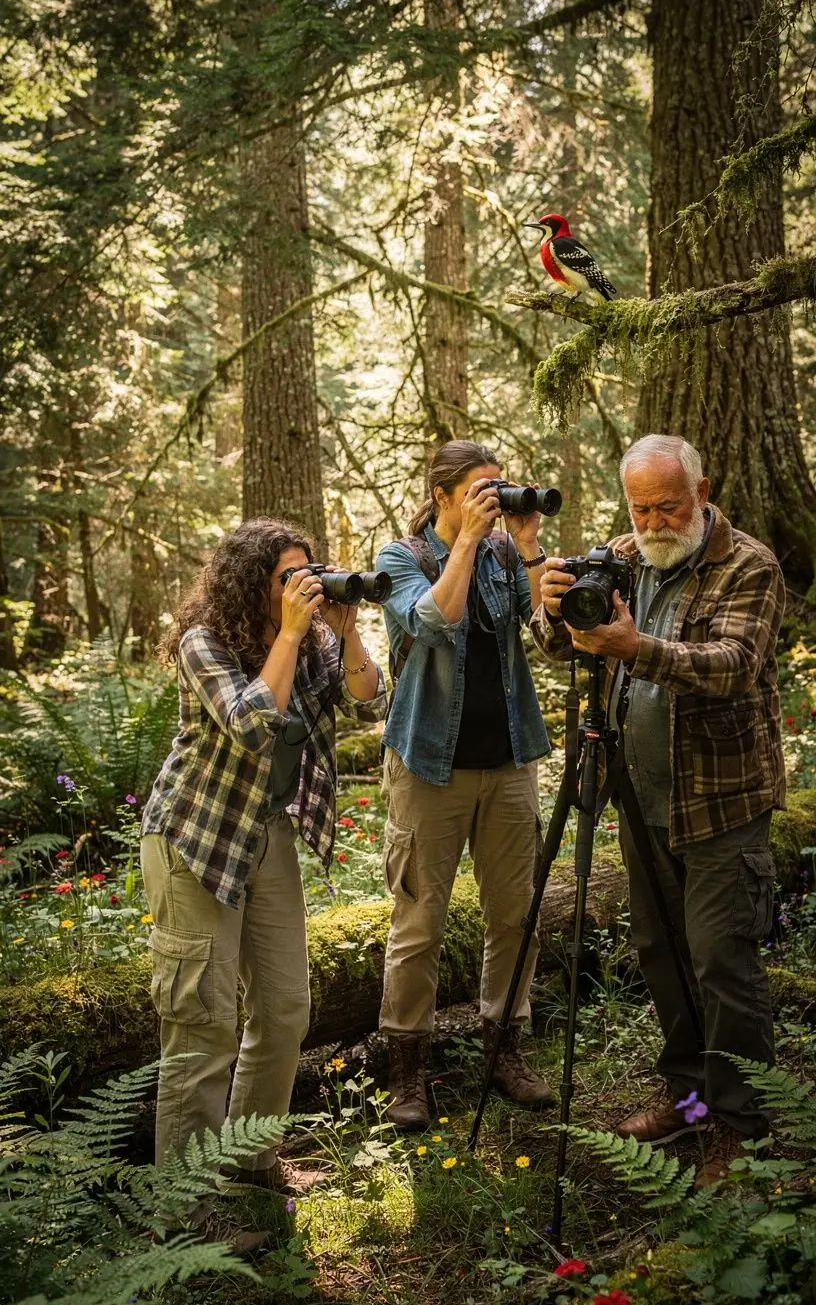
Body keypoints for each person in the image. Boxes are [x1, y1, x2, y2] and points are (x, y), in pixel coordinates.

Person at [535, 433, 785, 1188]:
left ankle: (743, 1124)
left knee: (721, 963)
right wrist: (552, 611)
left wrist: (633, 645)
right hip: (640, 798)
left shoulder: (750, 565)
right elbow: (567, 647)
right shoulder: (624, 556)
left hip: (721, 800)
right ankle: (688, 1097)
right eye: (640, 507)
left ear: (701, 493)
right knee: (661, 954)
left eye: (667, 505)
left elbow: (732, 669)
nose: (652, 521)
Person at [140, 518, 386, 1242]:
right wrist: (288, 635)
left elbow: (369, 696)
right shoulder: (202, 643)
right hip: (194, 839)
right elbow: (251, 725)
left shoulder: (312, 640)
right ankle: (181, 1214)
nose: (301, 588)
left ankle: (246, 1163)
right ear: (253, 582)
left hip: (266, 834)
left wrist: (343, 631)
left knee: (284, 1009)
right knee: (202, 1023)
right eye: (286, 577)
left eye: (306, 573)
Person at [375, 440, 556, 1129]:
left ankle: (504, 1048)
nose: (492, 499)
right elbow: (433, 621)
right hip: (428, 766)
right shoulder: (401, 558)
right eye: (481, 490)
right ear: (443, 495)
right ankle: (408, 1073)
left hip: (509, 760)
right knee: (419, 923)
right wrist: (469, 543)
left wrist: (528, 544)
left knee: (516, 918)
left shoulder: (507, 555)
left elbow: (546, 631)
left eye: (499, 487)